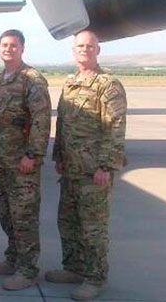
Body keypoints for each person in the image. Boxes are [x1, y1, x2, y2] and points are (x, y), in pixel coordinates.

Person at [48, 30, 127, 301]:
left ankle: (95, 278)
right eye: (80, 46)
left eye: (89, 46)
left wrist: (106, 165)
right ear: (73, 50)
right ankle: (73, 268)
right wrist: (58, 155)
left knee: (93, 228)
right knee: (68, 222)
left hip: (94, 172)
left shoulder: (108, 84)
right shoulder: (71, 82)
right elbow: (63, 123)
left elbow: (115, 127)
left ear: (98, 50)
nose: (84, 49)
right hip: (70, 168)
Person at [0, 30, 51, 290]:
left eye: (14, 45)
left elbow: (41, 119)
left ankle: (28, 269)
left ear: (22, 48)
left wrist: (32, 154)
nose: (8, 49)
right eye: (4, 45)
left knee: (24, 216)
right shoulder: (0, 80)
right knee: (7, 214)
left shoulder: (32, 79)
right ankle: (13, 259)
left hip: (22, 161)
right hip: (2, 160)